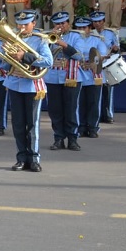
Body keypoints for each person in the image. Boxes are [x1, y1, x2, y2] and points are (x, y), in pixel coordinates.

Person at [0, 10, 53, 172]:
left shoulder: (40, 40)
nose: (22, 27)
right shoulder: (12, 38)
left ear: (33, 24)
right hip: (15, 84)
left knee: (32, 124)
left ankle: (34, 158)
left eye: (25, 24)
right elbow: (3, 65)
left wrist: (24, 56)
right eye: (19, 24)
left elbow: (48, 62)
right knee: (18, 124)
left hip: (32, 86)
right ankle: (21, 157)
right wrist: (6, 55)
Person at [43, 12, 83, 151]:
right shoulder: (47, 37)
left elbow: (79, 56)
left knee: (71, 108)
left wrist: (63, 44)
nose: (60, 26)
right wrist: (48, 41)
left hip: (71, 76)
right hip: (53, 76)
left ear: (68, 23)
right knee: (55, 110)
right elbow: (41, 56)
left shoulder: (76, 36)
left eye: (63, 23)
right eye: (57, 24)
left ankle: (72, 139)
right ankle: (58, 138)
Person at [73, 16, 108, 138]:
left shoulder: (97, 40)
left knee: (93, 102)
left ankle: (93, 127)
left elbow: (103, 54)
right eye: (79, 27)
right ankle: (81, 127)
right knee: (80, 102)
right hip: (78, 74)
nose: (81, 30)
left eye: (84, 27)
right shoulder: (73, 39)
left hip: (94, 75)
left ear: (89, 28)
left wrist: (93, 62)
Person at [91, 11, 120, 123]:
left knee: (108, 91)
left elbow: (117, 48)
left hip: (107, 64)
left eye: (99, 21)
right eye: (95, 21)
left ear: (103, 21)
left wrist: (115, 48)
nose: (97, 23)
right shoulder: (90, 33)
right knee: (95, 92)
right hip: (94, 64)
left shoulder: (111, 33)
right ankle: (96, 115)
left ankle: (108, 115)